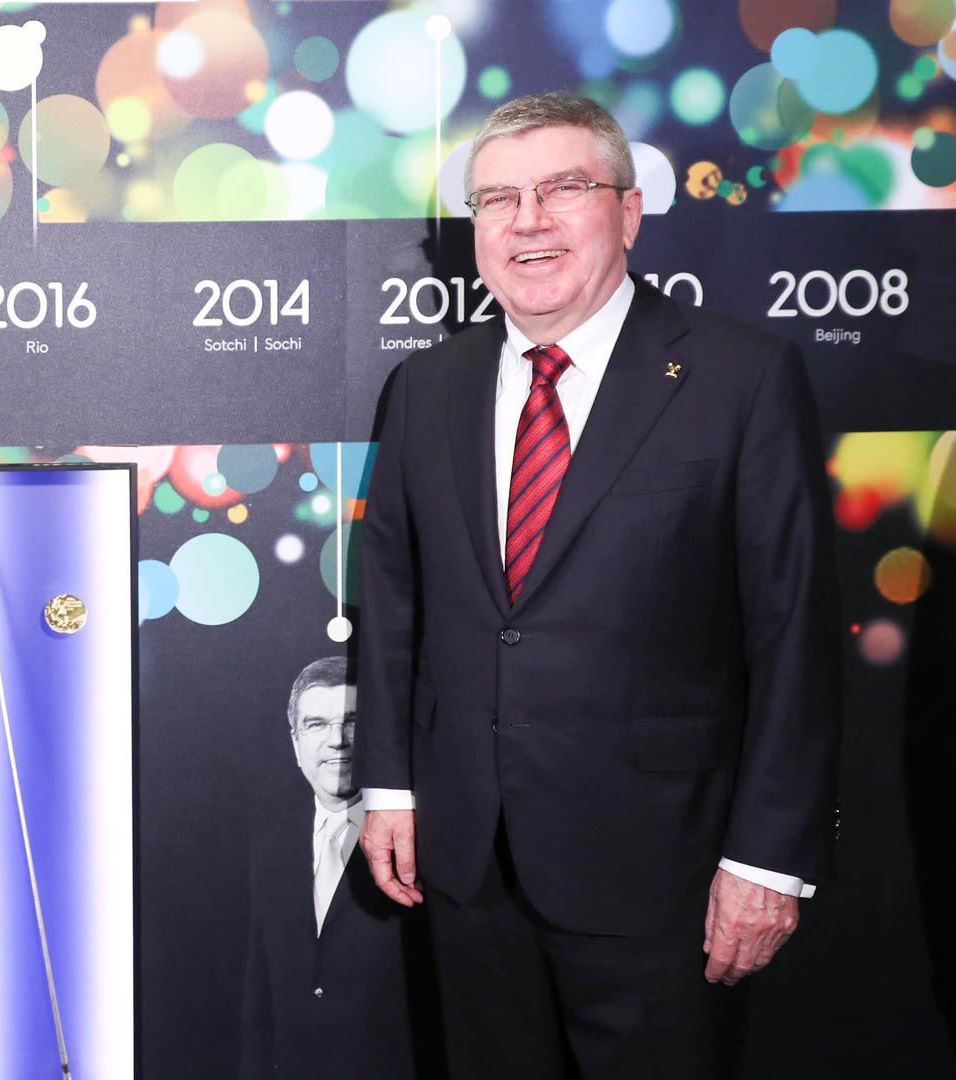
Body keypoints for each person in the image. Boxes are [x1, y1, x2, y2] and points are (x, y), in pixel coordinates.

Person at [355, 91, 840, 1078]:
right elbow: (395, 605)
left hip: (664, 874)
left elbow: (794, 635)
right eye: (497, 199)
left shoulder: (741, 378)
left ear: (628, 211)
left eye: (563, 188)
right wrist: (391, 786)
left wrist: (766, 859)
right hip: (469, 865)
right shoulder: (425, 389)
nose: (526, 220)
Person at [240, 657, 435, 1079]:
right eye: (316, 725)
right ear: (295, 743)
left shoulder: (423, 838)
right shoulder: (268, 848)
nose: (337, 741)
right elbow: (260, 999)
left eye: (353, 722)